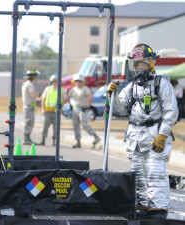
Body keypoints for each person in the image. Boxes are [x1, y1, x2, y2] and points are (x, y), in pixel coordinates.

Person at [107, 44, 178, 219]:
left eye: (143, 64)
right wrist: (112, 96)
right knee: (137, 173)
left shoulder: (162, 83)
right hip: (135, 136)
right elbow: (120, 109)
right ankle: (142, 203)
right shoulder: (132, 87)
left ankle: (158, 207)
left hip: (155, 134)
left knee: (155, 172)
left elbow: (171, 111)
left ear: (151, 63)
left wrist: (163, 134)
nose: (140, 68)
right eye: (136, 64)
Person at [68, 74, 101, 148]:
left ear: (82, 82)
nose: (78, 82)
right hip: (75, 108)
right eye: (77, 81)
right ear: (74, 82)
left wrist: (88, 106)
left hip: (83, 108)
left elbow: (90, 97)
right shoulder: (73, 89)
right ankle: (78, 141)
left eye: (80, 81)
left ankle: (95, 136)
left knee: (84, 124)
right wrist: (70, 105)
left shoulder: (85, 88)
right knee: (75, 125)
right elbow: (68, 97)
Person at [38, 74, 67, 146]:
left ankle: (54, 141)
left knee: (56, 127)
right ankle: (43, 140)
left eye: (56, 81)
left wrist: (61, 104)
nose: (55, 82)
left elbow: (66, 99)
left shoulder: (62, 90)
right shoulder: (48, 88)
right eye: (53, 81)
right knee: (45, 126)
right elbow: (43, 99)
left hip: (56, 111)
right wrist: (43, 109)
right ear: (51, 82)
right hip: (47, 111)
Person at [22, 69, 39, 145]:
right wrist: (38, 95)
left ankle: (27, 138)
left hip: (27, 105)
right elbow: (32, 95)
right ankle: (27, 139)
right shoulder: (30, 85)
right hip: (29, 106)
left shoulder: (26, 83)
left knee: (28, 121)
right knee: (29, 121)